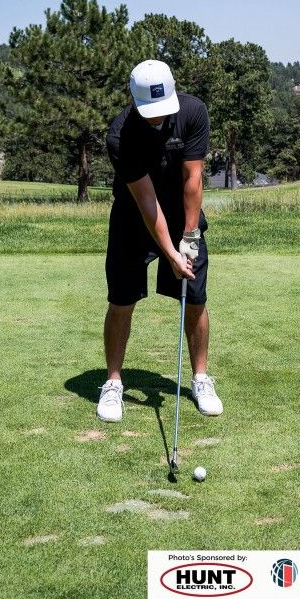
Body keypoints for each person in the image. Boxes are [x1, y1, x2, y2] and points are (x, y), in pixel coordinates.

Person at [97, 59, 223, 422]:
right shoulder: (120, 135)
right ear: (134, 102)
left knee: (195, 297)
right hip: (133, 219)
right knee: (121, 301)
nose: (157, 119)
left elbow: (192, 180)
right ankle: (114, 382)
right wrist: (169, 252)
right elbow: (146, 201)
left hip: (185, 215)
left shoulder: (193, 112)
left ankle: (200, 378)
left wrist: (189, 235)